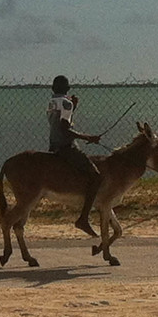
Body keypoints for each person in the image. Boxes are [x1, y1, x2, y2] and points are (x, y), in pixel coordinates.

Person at [47, 75, 102, 236]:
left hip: (53, 145)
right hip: (66, 147)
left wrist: (74, 108)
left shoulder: (52, 102)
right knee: (96, 177)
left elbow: (58, 123)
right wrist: (88, 137)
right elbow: (64, 128)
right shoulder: (66, 103)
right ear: (68, 89)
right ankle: (83, 218)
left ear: (53, 88)